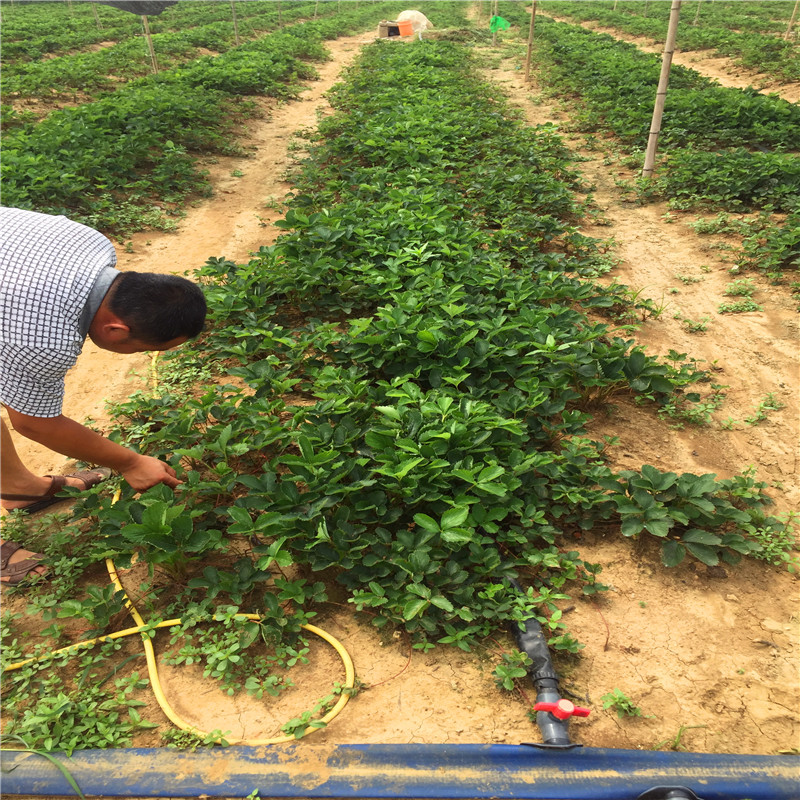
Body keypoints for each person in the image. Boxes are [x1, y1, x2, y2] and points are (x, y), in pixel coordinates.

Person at [0, 206, 207, 584]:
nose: (144, 357)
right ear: (115, 330)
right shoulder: (42, 339)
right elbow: (33, 423)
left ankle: (19, 489)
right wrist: (130, 462)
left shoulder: (91, 244)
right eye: (146, 350)